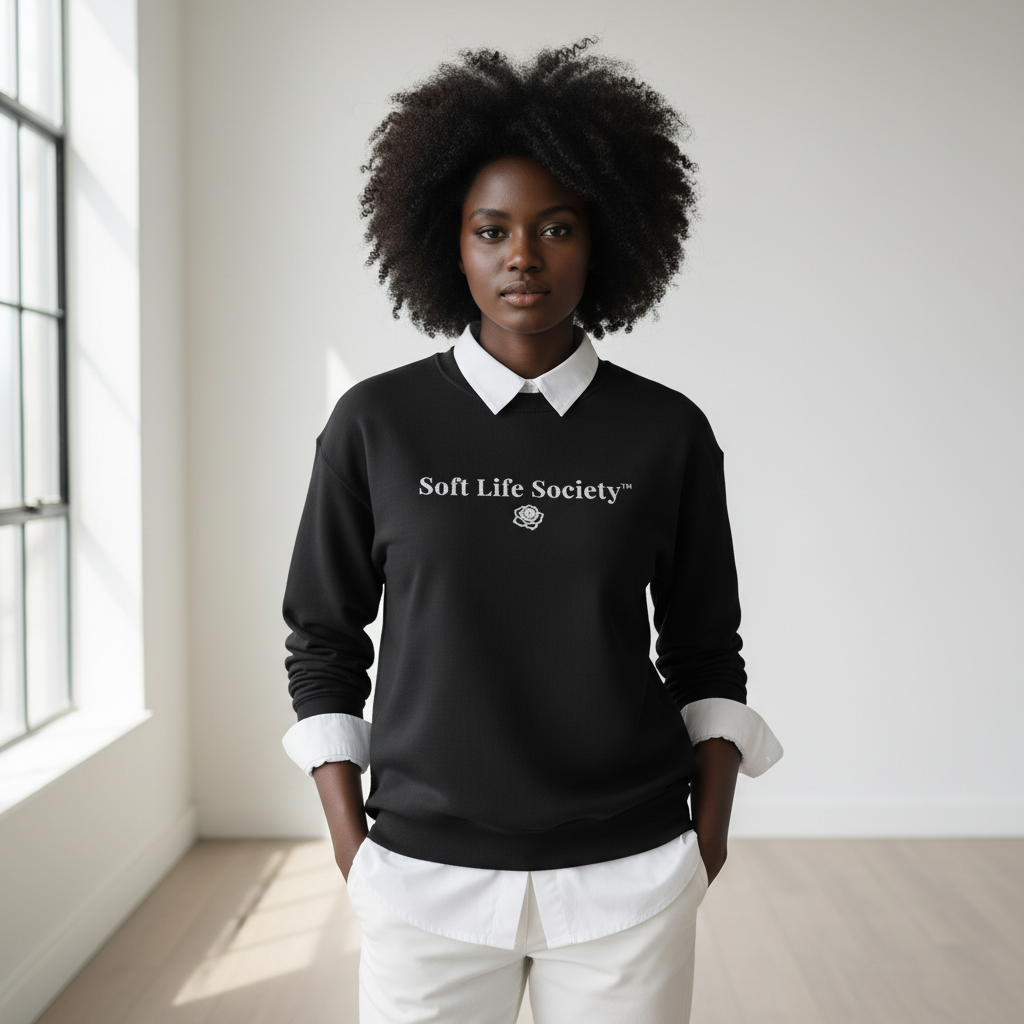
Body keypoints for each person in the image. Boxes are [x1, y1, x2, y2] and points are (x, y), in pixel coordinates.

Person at [281, 40, 782, 1024]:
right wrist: (356, 849)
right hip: (420, 875)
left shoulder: (665, 431)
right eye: (491, 228)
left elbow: (704, 647)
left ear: (601, 242)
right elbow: (324, 641)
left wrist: (703, 841)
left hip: (628, 873)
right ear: (448, 242)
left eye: (555, 227)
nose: (522, 255)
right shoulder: (374, 426)